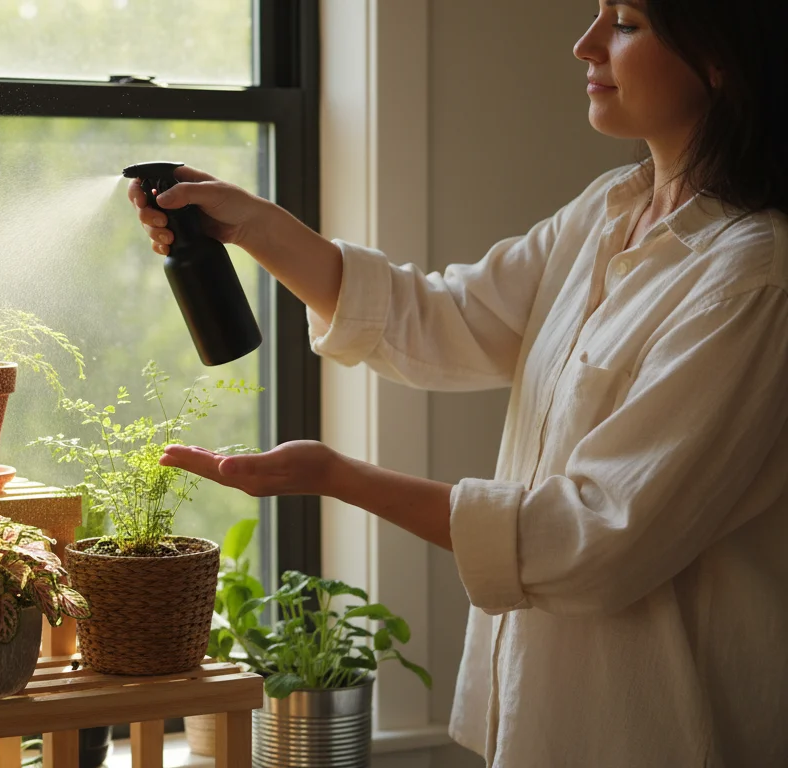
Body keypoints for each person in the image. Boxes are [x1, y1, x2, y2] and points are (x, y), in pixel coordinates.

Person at [129, 1, 787, 765]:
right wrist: (253, 226)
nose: (584, 44)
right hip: (537, 720)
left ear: (720, 56)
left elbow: (593, 539)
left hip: (663, 734)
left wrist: (338, 476)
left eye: (628, 23)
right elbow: (441, 319)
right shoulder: (607, 214)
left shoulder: (751, 280)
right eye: (597, 13)